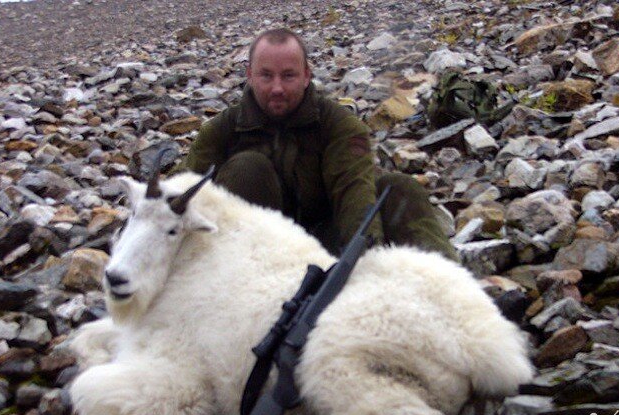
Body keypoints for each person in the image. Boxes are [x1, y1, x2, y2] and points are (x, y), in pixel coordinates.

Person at [172, 28, 457, 260]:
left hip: (323, 246)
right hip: (249, 258)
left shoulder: (339, 126)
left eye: (289, 75)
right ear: (249, 75)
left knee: (398, 188)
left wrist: (366, 261)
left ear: (307, 75)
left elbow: (354, 195)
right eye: (266, 75)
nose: (277, 88)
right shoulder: (221, 130)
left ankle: (457, 293)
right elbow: (176, 195)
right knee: (248, 167)